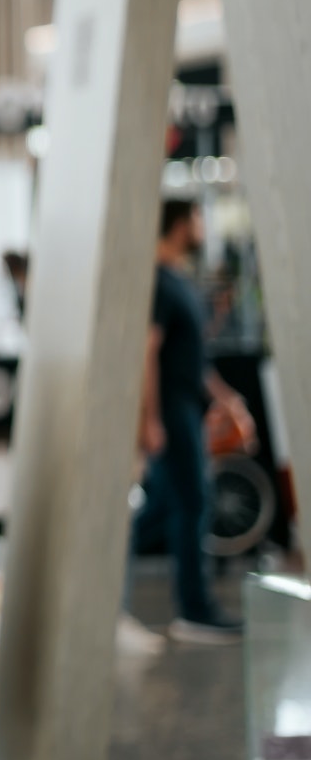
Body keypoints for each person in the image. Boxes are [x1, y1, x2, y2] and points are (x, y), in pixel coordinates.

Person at [127, 199, 248, 644]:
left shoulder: (178, 281)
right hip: (172, 411)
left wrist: (225, 398)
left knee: (165, 507)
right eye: (198, 219)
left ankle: (107, 582)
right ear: (180, 224)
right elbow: (148, 353)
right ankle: (195, 609)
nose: (202, 227)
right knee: (190, 502)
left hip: (186, 407)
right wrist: (151, 418)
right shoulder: (158, 281)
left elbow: (192, 360)